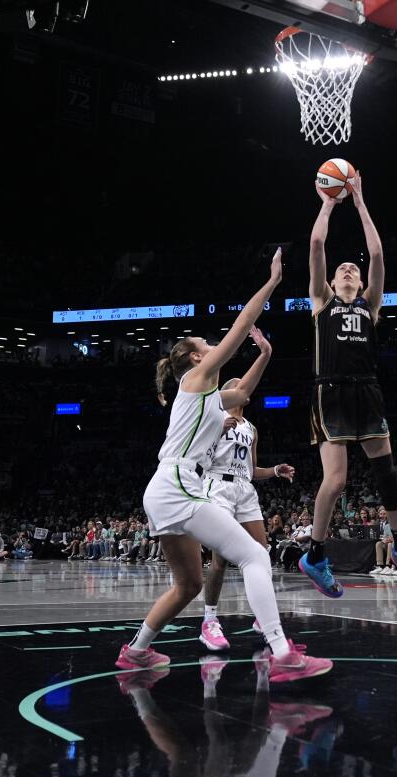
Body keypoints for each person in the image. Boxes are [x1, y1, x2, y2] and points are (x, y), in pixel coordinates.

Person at [116, 249, 331, 684]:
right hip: (179, 483)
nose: (212, 349)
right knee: (254, 556)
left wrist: (266, 352)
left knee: (188, 585)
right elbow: (234, 334)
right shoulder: (195, 380)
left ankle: (136, 651)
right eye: (205, 347)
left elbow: (245, 391)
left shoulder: (208, 396)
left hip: (164, 487)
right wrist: (271, 284)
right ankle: (281, 653)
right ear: (196, 359)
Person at [302, 174, 397, 597]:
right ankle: (315, 554)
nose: (350, 268)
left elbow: (377, 252)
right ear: (332, 282)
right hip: (330, 391)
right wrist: (330, 203)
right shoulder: (322, 302)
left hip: (367, 389)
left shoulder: (371, 306)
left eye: (353, 268)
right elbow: (316, 246)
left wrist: (361, 200)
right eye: (343, 269)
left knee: (386, 471)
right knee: (335, 481)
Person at [196, 332, 296, 652]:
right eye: (236, 384)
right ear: (227, 393)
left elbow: (253, 471)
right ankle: (209, 620)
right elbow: (199, 456)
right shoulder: (214, 415)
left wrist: (275, 471)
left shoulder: (250, 428)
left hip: (244, 488)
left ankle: (260, 617)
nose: (243, 388)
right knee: (221, 559)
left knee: (261, 555)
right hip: (217, 486)